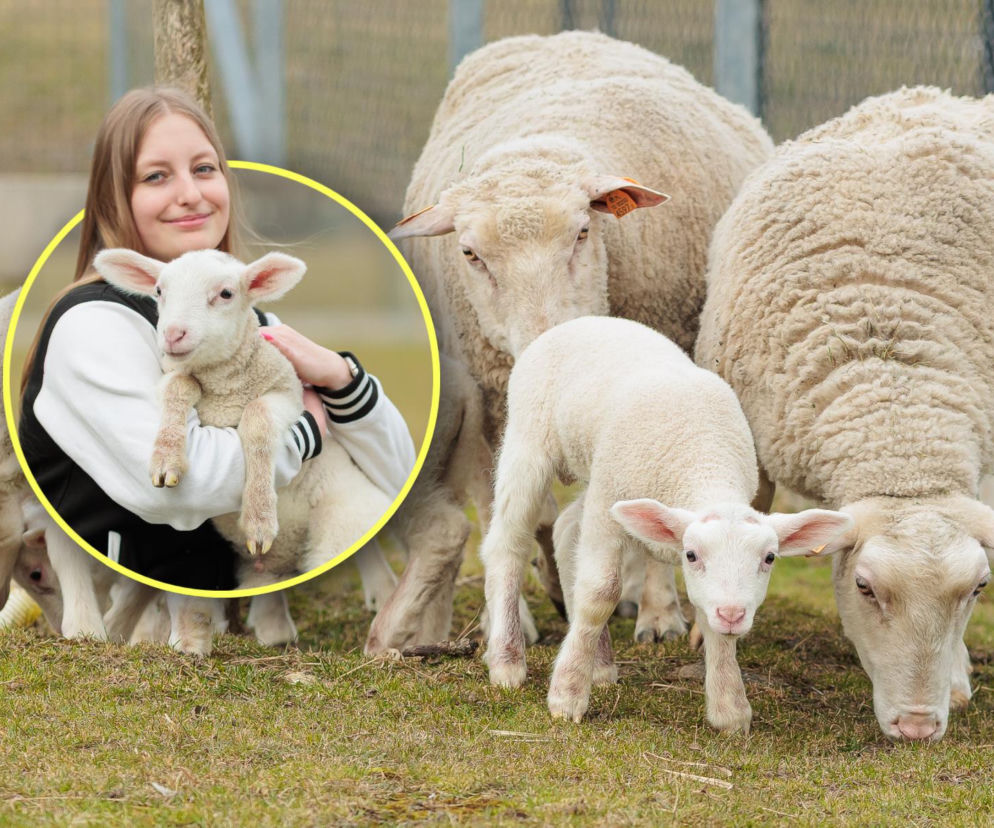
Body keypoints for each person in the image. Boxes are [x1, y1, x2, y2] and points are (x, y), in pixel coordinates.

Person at [18, 87, 416, 591]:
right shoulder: (91, 325)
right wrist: (307, 431)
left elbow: (397, 477)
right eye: (156, 176)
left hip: (215, 604)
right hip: (130, 620)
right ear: (114, 197)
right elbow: (178, 489)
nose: (190, 193)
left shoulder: (243, 324)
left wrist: (341, 380)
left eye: (205, 169)